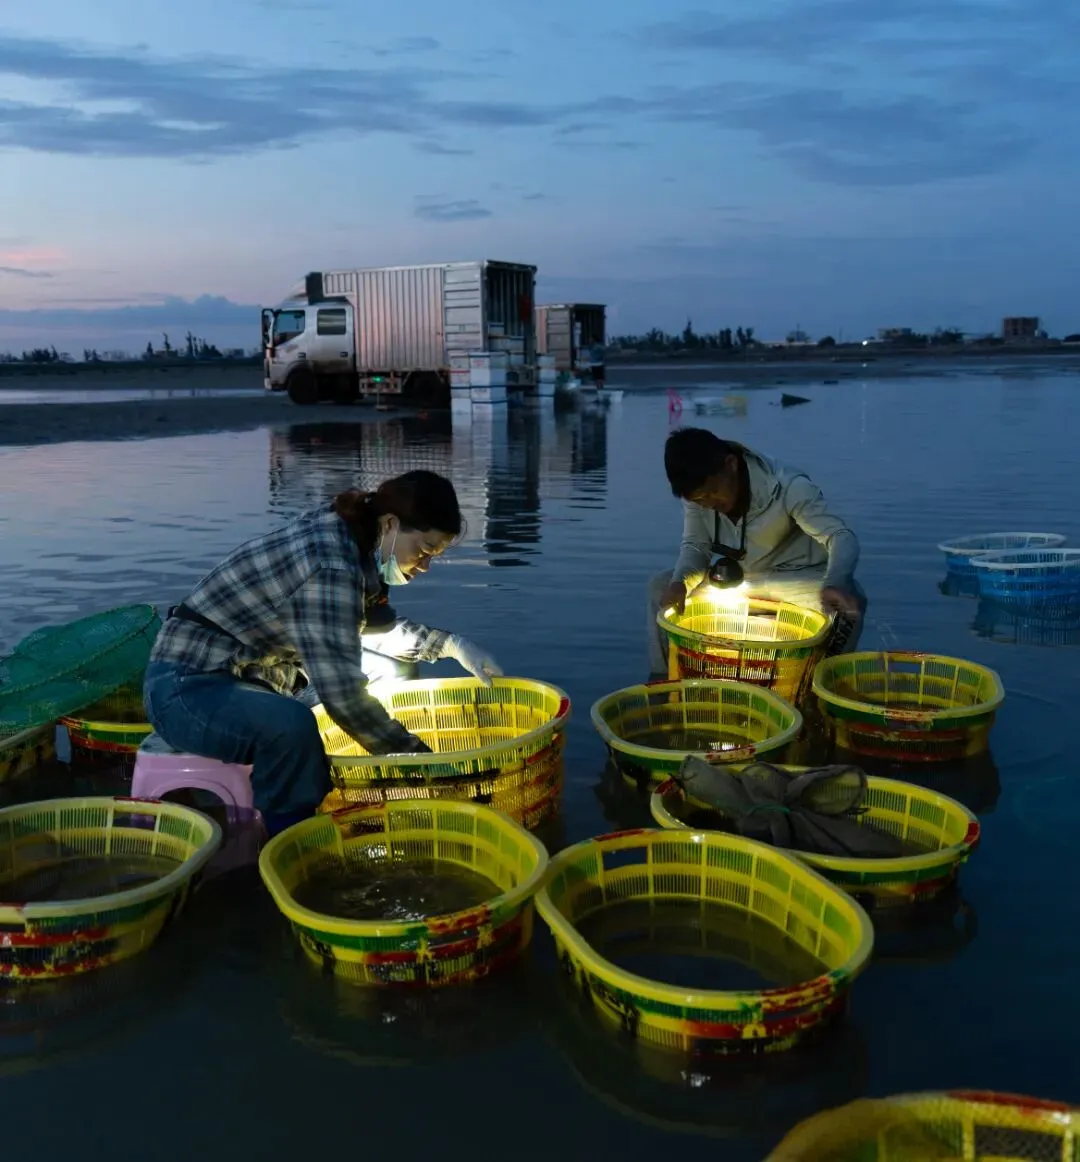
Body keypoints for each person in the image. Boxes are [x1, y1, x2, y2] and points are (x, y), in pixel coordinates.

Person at [143, 471, 501, 836]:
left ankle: (354, 770)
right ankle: (291, 841)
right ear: (391, 524)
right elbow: (343, 695)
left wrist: (450, 645)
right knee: (292, 729)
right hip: (188, 688)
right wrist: (420, 760)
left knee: (392, 668)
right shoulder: (330, 563)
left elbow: (369, 631)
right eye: (423, 551)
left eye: (433, 557)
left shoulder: (353, 538)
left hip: (256, 675)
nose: (423, 566)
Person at [647, 428, 865, 677]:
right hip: (742, 583)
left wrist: (836, 581)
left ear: (731, 464)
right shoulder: (698, 495)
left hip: (793, 583)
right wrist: (680, 582)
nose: (708, 503)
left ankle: (824, 686)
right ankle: (663, 681)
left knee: (850, 600)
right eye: (699, 500)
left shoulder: (788, 486)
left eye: (712, 493)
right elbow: (696, 548)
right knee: (660, 586)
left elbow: (841, 537)